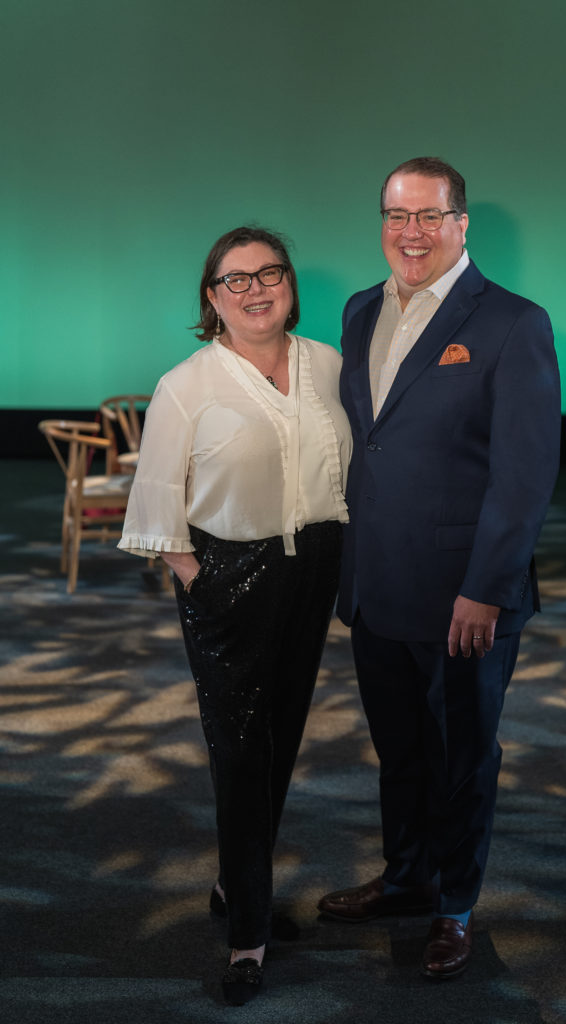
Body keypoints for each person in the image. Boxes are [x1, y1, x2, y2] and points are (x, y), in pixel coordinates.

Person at [318, 157, 561, 979]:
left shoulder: (512, 322)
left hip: (464, 595)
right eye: (396, 215)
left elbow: (524, 476)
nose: (410, 233)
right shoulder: (359, 310)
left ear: (461, 224)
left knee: (463, 756)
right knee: (401, 750)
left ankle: (454, 906)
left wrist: (486, 589)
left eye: (428, 216)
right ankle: (406, 879)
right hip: (378, 583)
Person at [119, 226, 351, 1005]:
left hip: (316, 566)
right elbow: (156, 495)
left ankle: (233, 880)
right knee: (242, 746)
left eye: (269, 273)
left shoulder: (328, 364)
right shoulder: (189, 382)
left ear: (289, 283)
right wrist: (198, 578)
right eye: (235, 279)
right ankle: (248, 931)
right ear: (212, 300)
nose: (255, 289)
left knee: (282, 733)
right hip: (229, 574)